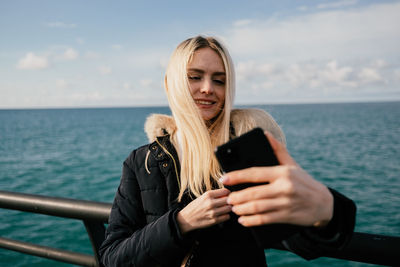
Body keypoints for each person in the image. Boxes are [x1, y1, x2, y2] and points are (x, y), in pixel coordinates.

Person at [99, 36, 356, 267]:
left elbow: (298, 241)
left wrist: (326, 212)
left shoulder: (244, 153)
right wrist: (180, 223)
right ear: (170, 84)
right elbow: (112, 258)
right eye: (195, 76)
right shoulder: (141, 161)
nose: (208, 88)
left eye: (219, 80)